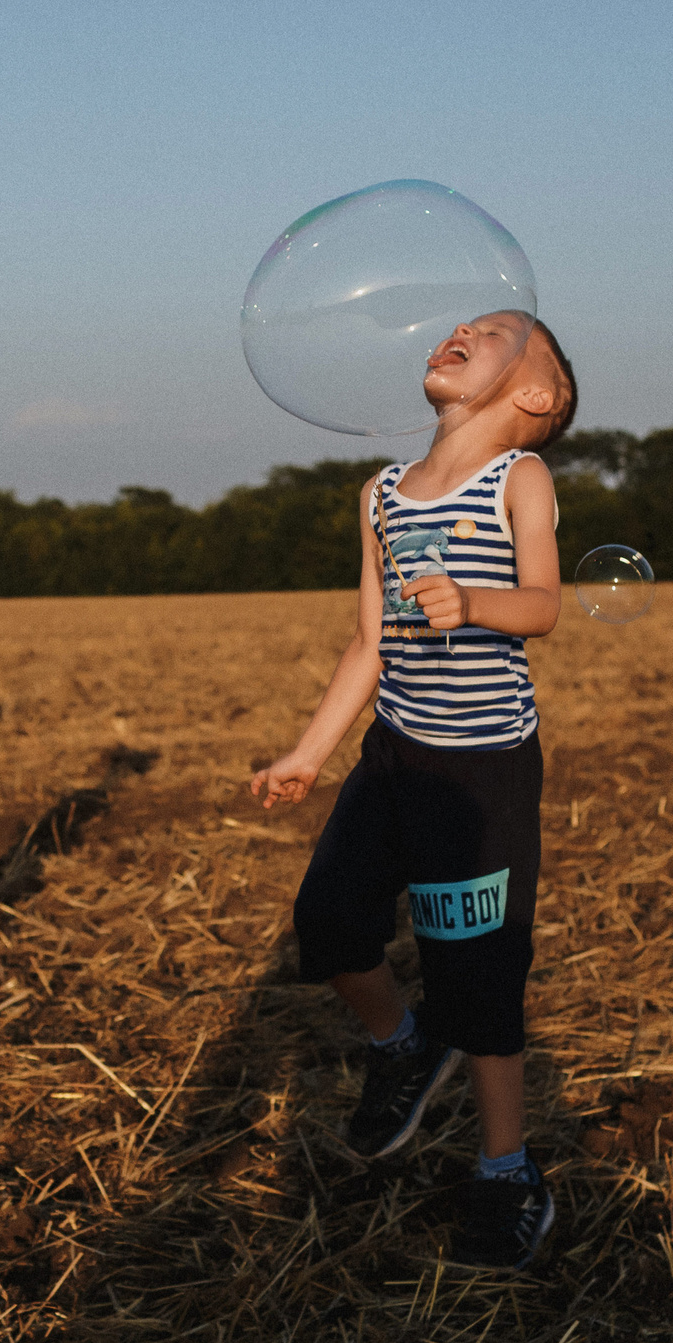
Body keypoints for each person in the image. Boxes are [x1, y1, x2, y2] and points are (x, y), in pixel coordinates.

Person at [249, 311, 576, 1270]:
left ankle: (507, 1170)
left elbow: (546, 603)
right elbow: (369, 639)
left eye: (502, 331)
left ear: (536, 395)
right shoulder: (383, 493)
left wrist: (473, 602)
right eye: (463, 324)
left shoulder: (520, 477)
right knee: (331, 918)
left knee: (478, 974)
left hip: (481, 774)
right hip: (393, 754)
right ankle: (401, 1043)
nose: (463, 329)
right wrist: (310, 751)